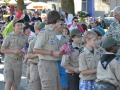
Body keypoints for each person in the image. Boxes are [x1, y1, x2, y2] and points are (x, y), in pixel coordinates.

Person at [33, 10, 62, 90]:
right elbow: (35, 49)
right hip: (46, 64)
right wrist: (52, 52)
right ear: (57, 21)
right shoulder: (44, 32)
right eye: (60, 22)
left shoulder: (52, 31)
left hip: (53, 63)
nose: (60, 24)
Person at [1, 19, 28, 90]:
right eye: (18, 25)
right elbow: (2, 49)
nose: (20, 27)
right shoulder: (8, 36)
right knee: (8, 81)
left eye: (21, 25)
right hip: (9, 62)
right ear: (13, 27)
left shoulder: (25, 37)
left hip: (18, 63)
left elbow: (27, 48)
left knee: (15, 84)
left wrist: (24, 52)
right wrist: (13, 51)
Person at [27, 22, 45, 90]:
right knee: (35, 86)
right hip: (35, 65)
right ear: (35, 30)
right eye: (40, 30)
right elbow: (29, 55)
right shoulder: (33, 41)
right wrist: (39, 53)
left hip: (44, 66)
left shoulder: (46, 40)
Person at [55, 23, 70, 90]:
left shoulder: (67, 38)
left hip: (64, 61)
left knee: (64, 83)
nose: (61, 26)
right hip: (53, 61)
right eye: (60, 24)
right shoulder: (50, 36)